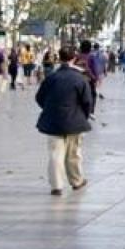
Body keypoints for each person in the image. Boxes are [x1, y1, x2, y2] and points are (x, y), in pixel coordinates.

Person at [35, 47, 92, 196]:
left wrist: (49, 108)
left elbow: (39, 97)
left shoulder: (51, 77)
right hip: (75, 120)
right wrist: (84, 115)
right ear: (74, 59)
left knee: (55, 154)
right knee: (74, 153)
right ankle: (76, 180)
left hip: (53, 120)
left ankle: (57, 185)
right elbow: (87, 101)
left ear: (59, 59)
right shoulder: (80, 78)